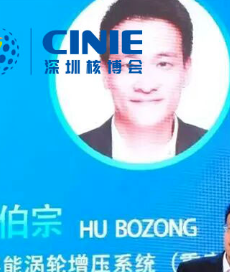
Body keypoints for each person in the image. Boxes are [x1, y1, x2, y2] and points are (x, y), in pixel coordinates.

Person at [80, 0, 206, 163]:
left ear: (186, 70)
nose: (146, 86)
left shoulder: (221, 153)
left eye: (163, 64)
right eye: (129, 65)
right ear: (105, 72)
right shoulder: (66, 155)